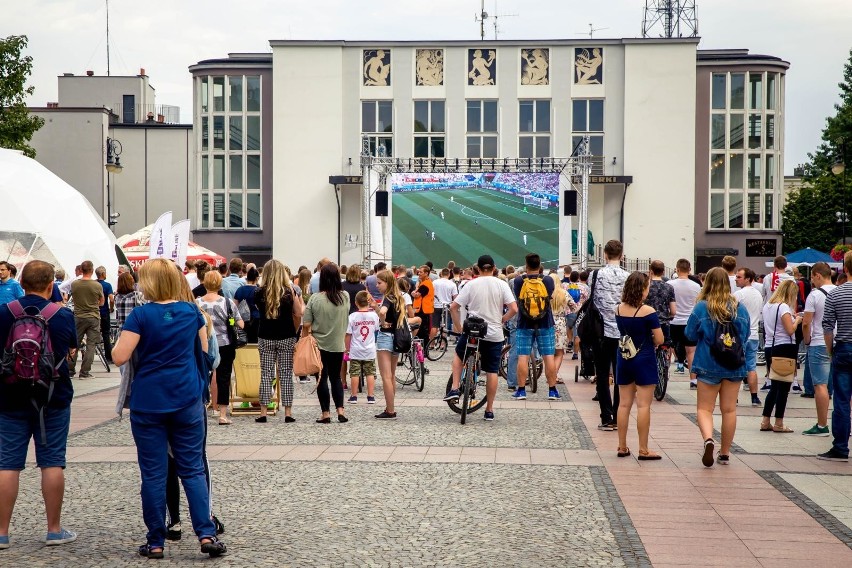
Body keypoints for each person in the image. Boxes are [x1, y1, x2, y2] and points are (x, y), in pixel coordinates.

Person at [112, 259, 227, 558]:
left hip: (149, 401)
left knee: (153, 474)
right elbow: (203, 355)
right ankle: (205, 535)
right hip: (186, 398)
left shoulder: (140, 315)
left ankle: (155, 541)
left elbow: (119, 357)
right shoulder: (193, 313)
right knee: (193, 470)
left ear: (148, 283)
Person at [0, 260, 78, 549]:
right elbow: (70, 348)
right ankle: (54, 530)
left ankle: (2, 533)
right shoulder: (61, 315)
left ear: (21, 283)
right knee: (52, 461)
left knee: (7, 463)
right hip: (53, 397)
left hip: (9, 396)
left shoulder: (4, 313)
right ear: (51, 285)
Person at [685, 267, 750, 467]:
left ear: (707, 283)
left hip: (707, 363)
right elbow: (745, 335)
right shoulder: (740, 307)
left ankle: (708, 439)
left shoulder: (702, 308)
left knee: (705, 409)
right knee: (729, 410)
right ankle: (725, 452)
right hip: (734, 365)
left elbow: (689, 335)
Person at [444, 255, 517, 421]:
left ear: (477, 268)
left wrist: (459, 327)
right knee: (491, 370)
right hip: (493, 332)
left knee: (458, 355)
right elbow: (514, 308)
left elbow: (454, 307)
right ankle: (489, 409)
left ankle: (455, 387)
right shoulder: (501, 284)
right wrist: (502, 319)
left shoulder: (471, 284)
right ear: (493, 267)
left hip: (472, 329)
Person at [614, 272, 664, 460]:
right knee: (643, 406)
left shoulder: (618, 309)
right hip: (644, 357)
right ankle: (643, 449)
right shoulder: (648, 312)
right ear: (642, 289)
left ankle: (622, 446)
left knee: (624, 404)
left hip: (624, 356)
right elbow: (659, 338)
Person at [254, 260, 303, 424]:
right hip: (286, 336)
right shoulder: (290, 292)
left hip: (265, 336)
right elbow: (298, 314)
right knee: (286, 375)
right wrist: (295, 332)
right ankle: (288, 412)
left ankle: (263, 412)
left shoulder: (259, 292)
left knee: (266, 375)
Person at [590, 241, 630, 430]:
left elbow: (591, 299)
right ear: (621, 255)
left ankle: (606, 416)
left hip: (602, 330)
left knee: (603, 373)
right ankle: (617, 416)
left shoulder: (596, 274)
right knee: (620, 374)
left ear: (605, 254)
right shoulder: (627, 276)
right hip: (622, 330)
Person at [303, 264, 349, 424]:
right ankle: (340, 411)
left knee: (321, 379)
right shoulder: (345, 296)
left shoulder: (315, 298)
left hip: (318, 345)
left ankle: (326, 413)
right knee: (336, 378)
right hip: (338, 344)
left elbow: (306, 323)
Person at [816, 251, 852, 461]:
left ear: (844, 269)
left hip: (844, 348)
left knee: (841, 400)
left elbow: (827, 327)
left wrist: (830, 350)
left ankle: (840, 447)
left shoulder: (835, 294)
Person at [196, 271, 243, 425]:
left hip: (203, 345)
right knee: (224, 378)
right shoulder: (227, 302)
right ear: (220, 284)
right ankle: (222, 414)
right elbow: (240, 323)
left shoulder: (197, 303)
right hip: (225, 343)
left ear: (204, 283)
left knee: (202, 376)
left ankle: (201, 409)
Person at [512, 254, 561, 401]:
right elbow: (550, 297)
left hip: (524, 323)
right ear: (539, 265)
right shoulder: (548, 280)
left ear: (526, 266)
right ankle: (552, 390)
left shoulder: (518, 281)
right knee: (548, 357)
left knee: (523, 357)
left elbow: (518, 298)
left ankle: (521, 390)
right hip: (545, 322)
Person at [760, 280, 801, 434]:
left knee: (774, 386)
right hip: (784, 348)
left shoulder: (768, 306)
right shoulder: (783, 307)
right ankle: (779, 422)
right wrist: (796, 320)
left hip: (770, 347)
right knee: (783, 388)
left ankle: (765, 420)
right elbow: (790, 330)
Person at [801, 262, 836, 436]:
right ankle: (846, 423)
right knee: (844, 385)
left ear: (818, 275)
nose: (812, 281)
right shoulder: (840, 291)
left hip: (819, 342)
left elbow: (806, 322)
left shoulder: (814, 295)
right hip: (840, 342)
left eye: (812, 277)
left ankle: (822, 425)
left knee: (820, 385)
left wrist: (806, 340)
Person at [373, 270, 408, 419]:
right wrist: (375, 307)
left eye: (379, 283)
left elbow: (383, 313)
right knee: (392, 375)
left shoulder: (387, 297)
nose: (377, 285)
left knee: (386, 376)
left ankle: (390, 410)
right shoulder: (399, 297)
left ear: (387, 283)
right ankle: (390, 406)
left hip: (386, 337)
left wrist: (382, 322)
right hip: (397, 338)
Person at [669, 258, 702, 386]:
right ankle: (693, 379)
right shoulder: (696, 286)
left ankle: (663, 375)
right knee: (691, 351)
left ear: (677, 269)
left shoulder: (670, 284)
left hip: (673, 321)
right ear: (689, 270)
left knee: (668, 348)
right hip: (689, 321)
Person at [69, 260, 104, 379]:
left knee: (74, 344)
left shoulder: (75, 284)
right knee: (91, 344)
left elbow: (72, 297)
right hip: (93, 316)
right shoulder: (97, 285)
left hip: (78, 316)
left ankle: (70, 369)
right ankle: (84, 372)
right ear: (92, 270)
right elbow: (102, 301)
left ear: (81, 270)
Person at [734, 268, 764, 407]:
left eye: (739, 277)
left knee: (736, 366)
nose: (736, 279)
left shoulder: (739, 294)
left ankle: (734, 397)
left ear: (748, 279)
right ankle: (754, 397)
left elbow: (731, 313)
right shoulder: (758, 294)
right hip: (754, 334)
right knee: (751, 367)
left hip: (741, 334)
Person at [346, 291, 380, 404]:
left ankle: (354, 396)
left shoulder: (352, 317)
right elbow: (376, 330)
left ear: (356, 303)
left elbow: (348, 334)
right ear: (369, 302)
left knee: (354, 373)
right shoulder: (374, 316)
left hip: (355, 349)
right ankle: (370, 396)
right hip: (369, 349)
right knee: (370, 373)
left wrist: (347, 349)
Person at [549, 273, 576, 383]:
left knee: (549, 353)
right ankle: (553, 375)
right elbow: (574, 307)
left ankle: (550, 374)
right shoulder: (564, 293)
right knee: (559, 352)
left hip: (548, 322)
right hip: (560, 322)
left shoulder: (546, 292)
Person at [234, 267, 260, 343]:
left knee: (244, 341)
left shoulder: (240, 290)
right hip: (257, 320)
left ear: (247, 278)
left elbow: (235, 307)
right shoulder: (259, 290)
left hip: (242, 320)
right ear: (257, 278)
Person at [95, 266, 115, 363]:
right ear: (103, 274)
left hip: (93, 311)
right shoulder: (107, 285)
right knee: (106, 334)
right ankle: (108, 356)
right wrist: (111, 308)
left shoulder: (93, 284)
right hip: (104, 312)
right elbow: (111, 299)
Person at [411, 265, 435, 346]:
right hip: (422, 310)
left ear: (426, 273)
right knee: (421, 331)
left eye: (421, 272)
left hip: (423, 311)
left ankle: (423, 350)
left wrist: (413, 293)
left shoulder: (426, 284)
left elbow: (417, 295)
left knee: (422, 331)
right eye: (419, 272)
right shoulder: (425, 283)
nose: (419, 273)